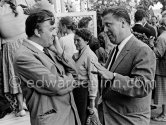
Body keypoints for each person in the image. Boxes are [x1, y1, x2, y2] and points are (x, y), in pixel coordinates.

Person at [13, 10, 81, 125]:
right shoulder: (23, 56)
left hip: (68, 115)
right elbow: (55, 85)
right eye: (51, 29)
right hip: (53, 120)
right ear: (37, 32)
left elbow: (75, 71)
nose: (55, 34)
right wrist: (71, 79)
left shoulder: (50, 49)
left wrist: (59, 52)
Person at [91, 6, 156, 125]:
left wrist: (113, 76)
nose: (104, 30)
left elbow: (143, 86)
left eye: (108, 24)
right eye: (104, 25)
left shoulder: (142, 50)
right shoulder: (117, 49)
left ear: (123, 23)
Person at [0, 0, 27, 116]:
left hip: (9, 46)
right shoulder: (19, 9)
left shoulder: (0, 11)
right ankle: (27, 102)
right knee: (26, 74)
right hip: (24, 44)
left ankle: (20, 106)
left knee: (14, 76)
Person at [72, 28, 98, 125]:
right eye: (74, 40)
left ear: (86, 41)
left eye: (78, 40)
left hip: (84, 92)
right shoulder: (78, 54)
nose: (75, 43)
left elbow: (93, 79)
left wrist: (92, 101)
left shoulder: (90, 55)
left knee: (84, 120)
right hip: (77, 91)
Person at [150, 18, 166, 122]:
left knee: (164, 93)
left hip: (163, 69)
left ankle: (164, 114)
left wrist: (151, 44)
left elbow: (158, 53)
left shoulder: (162, 37)